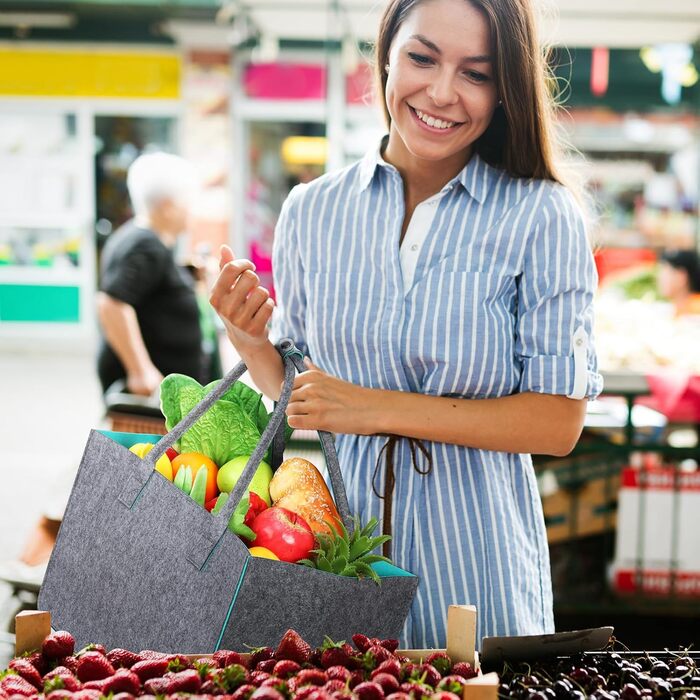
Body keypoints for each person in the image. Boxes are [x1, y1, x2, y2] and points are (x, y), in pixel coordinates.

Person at [210, 0, 603, 648]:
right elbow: (300, 389)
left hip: (480, 570)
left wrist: (372, 408)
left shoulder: (541, 217)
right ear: (387, 52)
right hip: (341, 557)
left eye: (476, 73)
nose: (443, 92)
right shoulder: (312, 211)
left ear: (506, 89)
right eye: (422, 58)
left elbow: (557, 422)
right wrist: (250, 337)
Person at [97, 152, 206, 396]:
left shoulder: (138, 238)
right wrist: (141, 370)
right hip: (149, 399)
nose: (192, 210)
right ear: (168, 207)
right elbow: (111, 302)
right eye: (188, 202)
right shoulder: (146, 246)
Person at [658, 249, 700, 317]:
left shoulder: (695, 314)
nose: (659, 279)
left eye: (665, 273)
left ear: (682, 277)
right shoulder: (679, 309)